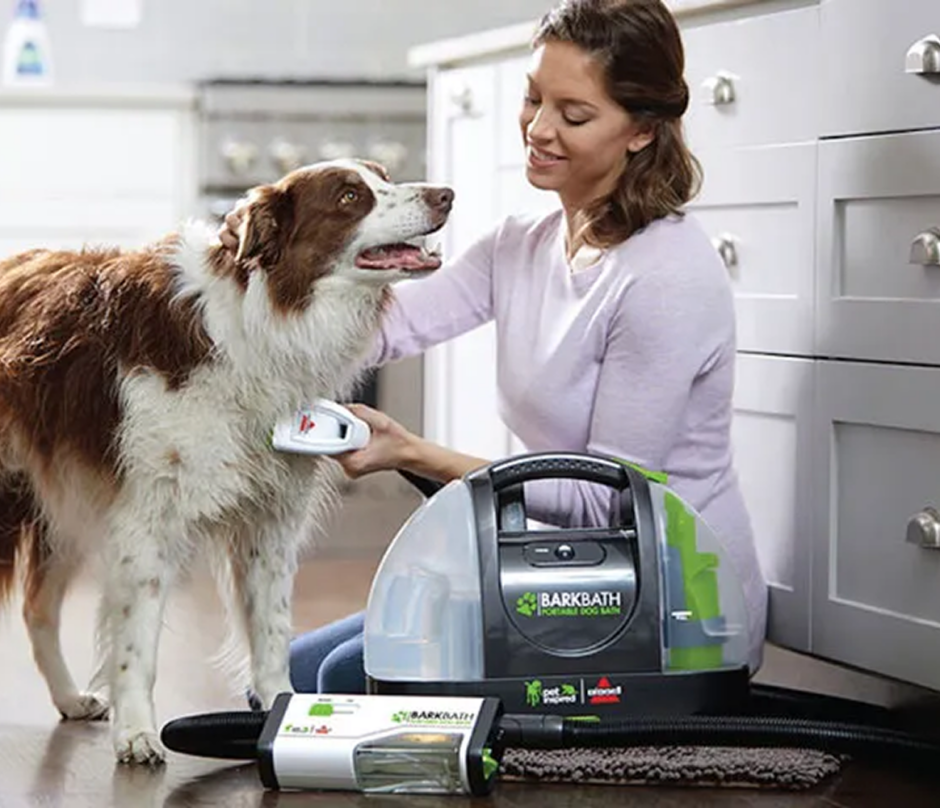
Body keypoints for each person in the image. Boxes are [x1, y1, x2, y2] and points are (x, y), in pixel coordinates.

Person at [219, 0, 768, 695]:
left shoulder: (667, 275)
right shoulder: (521, 245)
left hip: (672, 606)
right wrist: (234, 299)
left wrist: (410, 452)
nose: (539, 129)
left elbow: (607, 503)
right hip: (571, 571)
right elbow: (384, 328)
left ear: (641, 132)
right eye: (533, 98)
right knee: (290, 678)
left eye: (573, 115)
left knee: (335, 681)